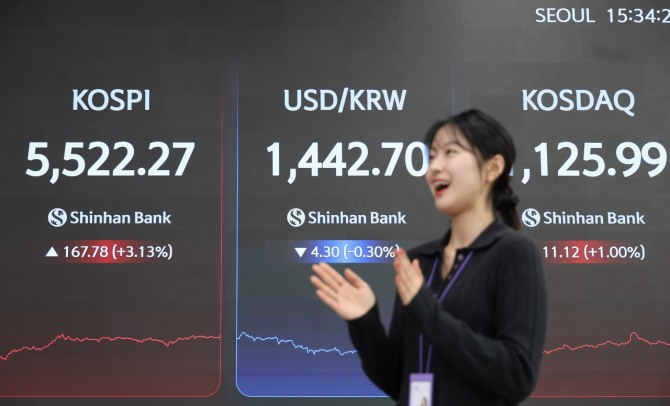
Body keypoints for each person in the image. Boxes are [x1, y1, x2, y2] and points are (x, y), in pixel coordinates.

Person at [310, 109, 547, 405]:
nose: (434, 167)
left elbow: (517, 375)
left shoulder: (513, 253)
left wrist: (426, 310)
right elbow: (397, 380)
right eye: (432, 156)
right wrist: (365, 321)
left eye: (450, 152)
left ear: (493, 168)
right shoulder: (419, 261)